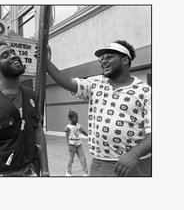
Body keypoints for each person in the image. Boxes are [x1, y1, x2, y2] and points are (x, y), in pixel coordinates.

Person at [47, 40, 151, 177]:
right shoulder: (95, 84)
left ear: (125, 60)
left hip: (136, 164)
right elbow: (69, 83)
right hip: (101, 164)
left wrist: (134, 154)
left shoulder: (145, 91)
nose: (103, 61)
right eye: (101, 59)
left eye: (109, 57)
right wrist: (47, 63)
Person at [0, 41, 50, 177]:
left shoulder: (31, 94)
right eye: (5, 55)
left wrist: (45, 171)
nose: (13, 56)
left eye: (13, 52)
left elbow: (38, 131)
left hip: (31, 172)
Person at [65, 109, 89, 177]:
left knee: (83, 159)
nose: (77, 119)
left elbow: (83, 132)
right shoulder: (68, 127)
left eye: (77, 117)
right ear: (70, 118)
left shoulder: (78, 125)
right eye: (76, 117)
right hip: (72, 145)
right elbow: (66, 137)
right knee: (70, 160)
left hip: (79, 145)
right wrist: (68, 145)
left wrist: (89, 136)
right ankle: (68, 172)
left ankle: (85, 173)